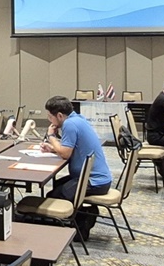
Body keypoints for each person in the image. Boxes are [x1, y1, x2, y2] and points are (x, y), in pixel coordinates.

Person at [39, 96, 113, 242]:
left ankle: (82, 220)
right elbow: (73, 148)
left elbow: (65, 154)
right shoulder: (78, 119)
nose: (49, 120)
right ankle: (81, 216)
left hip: (94, 181)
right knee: (57, 186)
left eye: (50, 116)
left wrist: (51, 136)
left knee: (55, 197)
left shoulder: (69, 124)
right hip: (92, 177)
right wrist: (53, 149)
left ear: (59, 115)